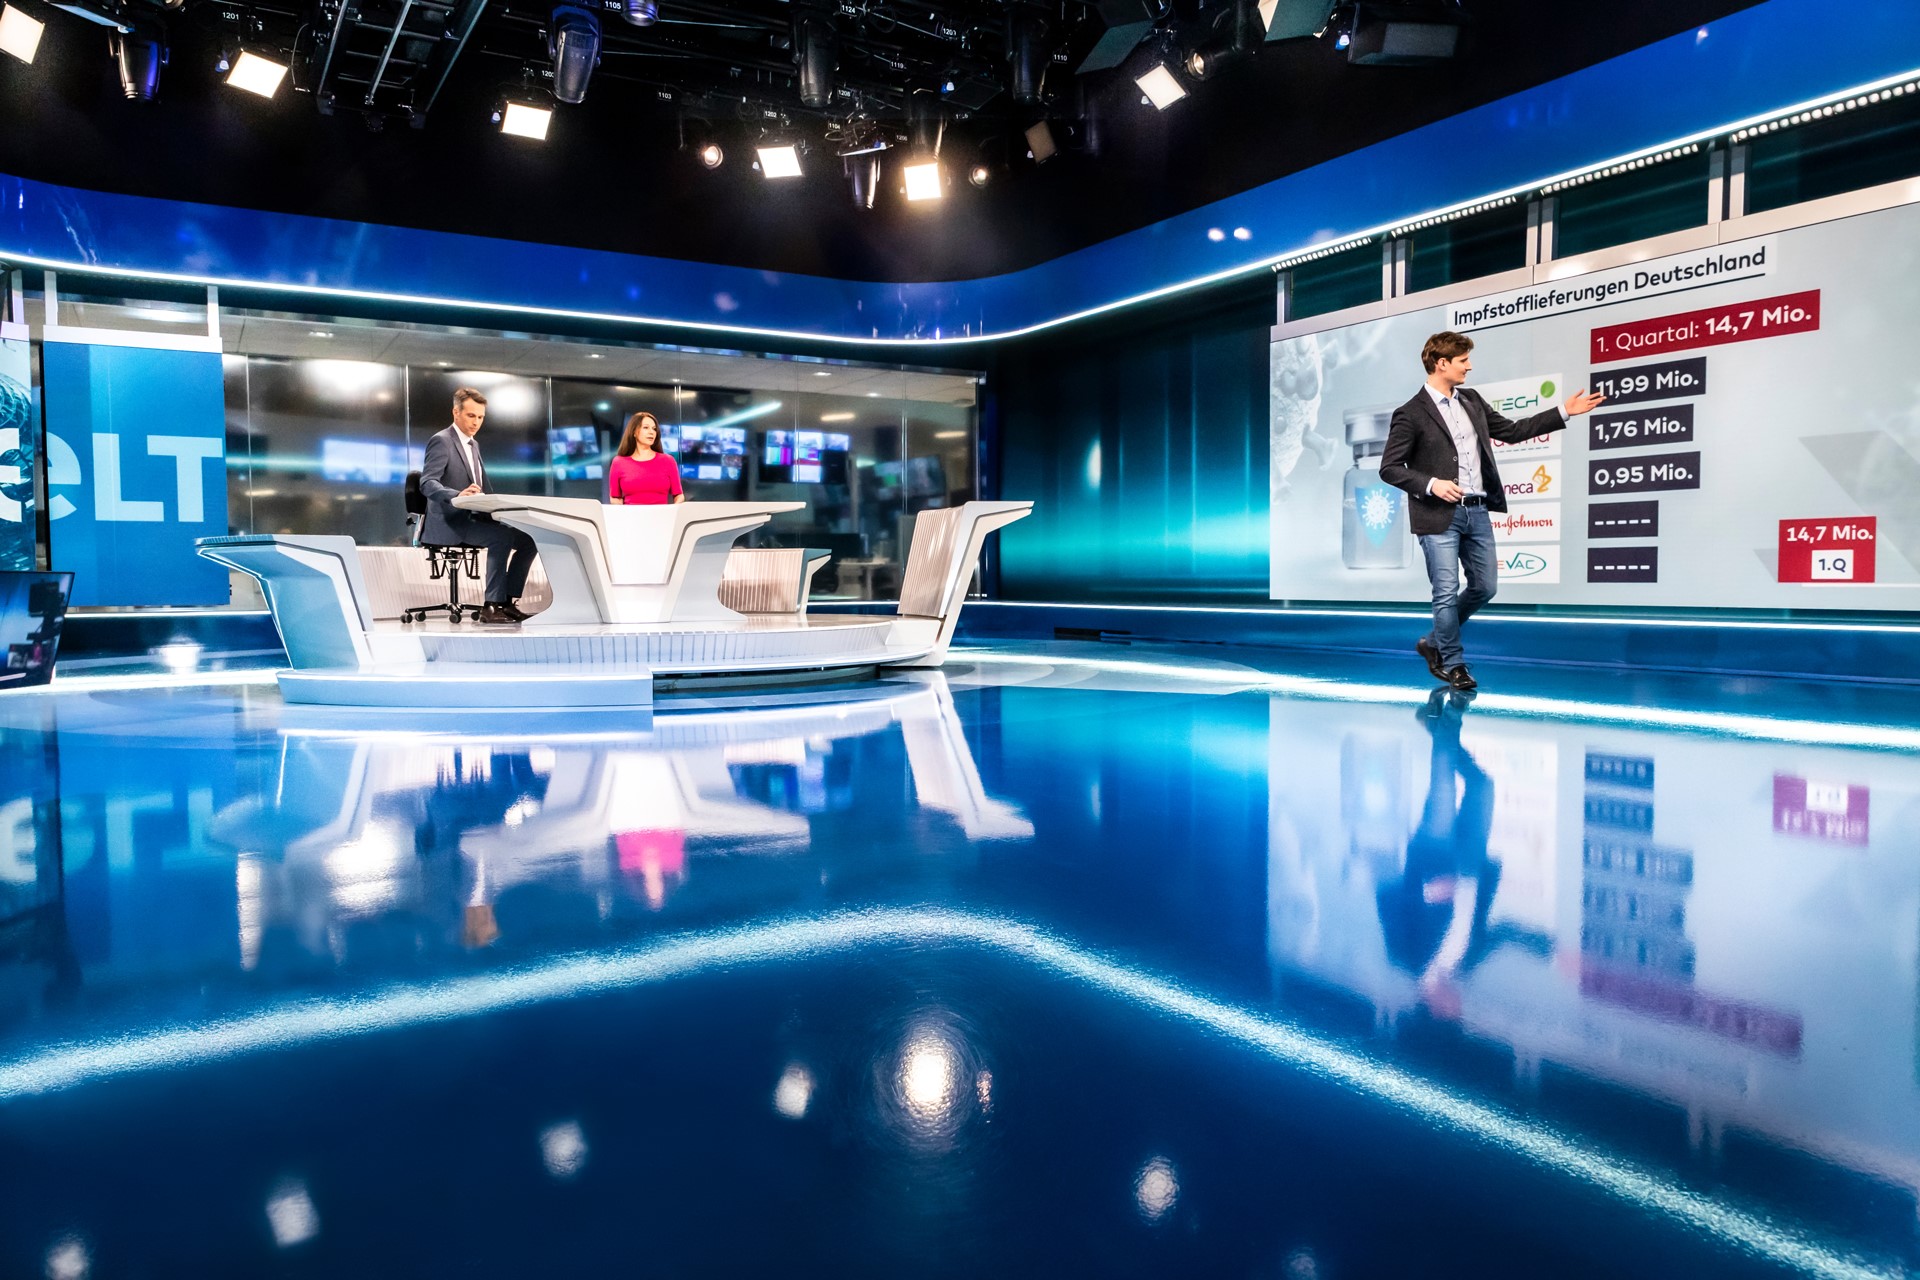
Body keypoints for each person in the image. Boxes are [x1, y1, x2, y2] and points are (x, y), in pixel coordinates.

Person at [1380, 332, 1604, 690]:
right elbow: (1390, 468)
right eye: (1463, 360)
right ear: (1442, 363)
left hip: (1478, 511)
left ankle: (1432, 643)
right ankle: (1453, 663)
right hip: (1437, 515)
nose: (1469, 366)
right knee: (1445, 590)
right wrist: (1432, 484)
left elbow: (1512, 431)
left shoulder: (1471, 400)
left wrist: (1564, 411)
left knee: (1485, 587)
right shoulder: (1410, 413)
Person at [419, 387, 541, 625]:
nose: (476, 422)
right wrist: (456, 495)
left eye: (480, 417)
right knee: (501, 537)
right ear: (456, 413)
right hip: (450, 521)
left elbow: (483, 487)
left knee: (529, 539)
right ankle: (491, 606)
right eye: (471, 415)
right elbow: (427, 483)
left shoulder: (474, 445)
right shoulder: (442, 441)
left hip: (474, 518)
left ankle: (507, 602)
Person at [607, 411, 685, 505]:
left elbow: (679, 495)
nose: (651, 432)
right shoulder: (619, 462)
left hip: (661, 514)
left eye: (654, 429)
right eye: (646, 427)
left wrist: (672, 511)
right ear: (634, 432)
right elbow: (615, 497)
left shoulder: (668, 461)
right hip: (631, 514)